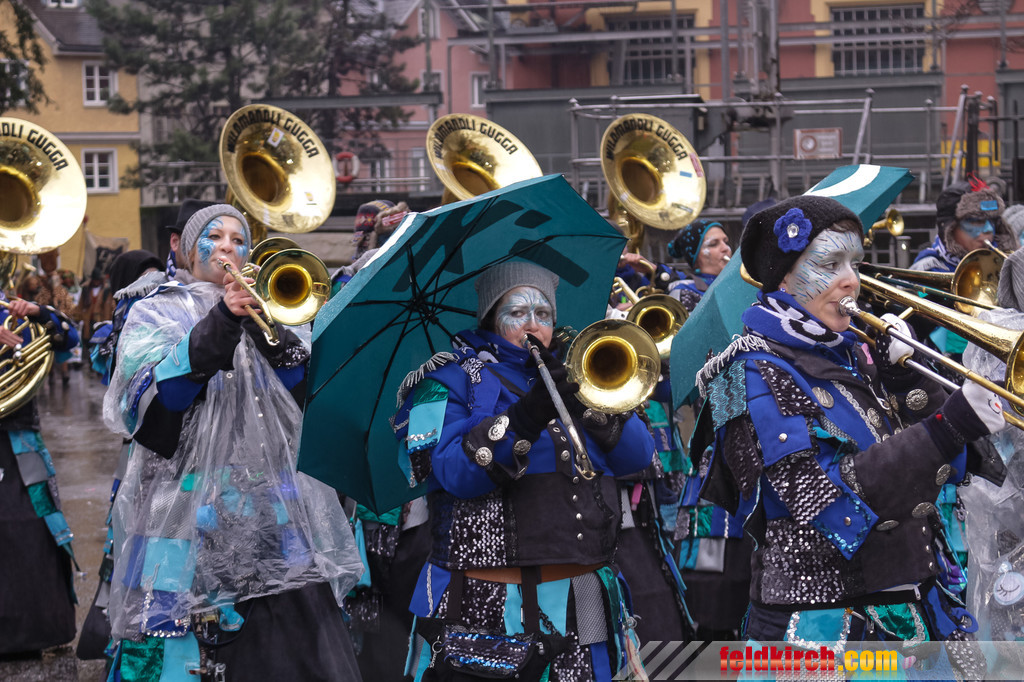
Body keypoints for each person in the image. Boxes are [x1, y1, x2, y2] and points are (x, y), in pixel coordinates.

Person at [695, 195, 1005, 678]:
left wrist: (908, 383)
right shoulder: (747, 370)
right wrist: (948, 426)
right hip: (824, 633)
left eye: (855, 264)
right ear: (783, 278)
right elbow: (822, 503)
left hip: (915, 612)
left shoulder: (849, 354)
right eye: (828, 264)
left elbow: (959, 468)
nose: (851, 281)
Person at [103, 204, 363, 679]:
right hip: (180, 506)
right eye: (215, 236)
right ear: (186, 249)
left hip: (270, 505)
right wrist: (223, 318)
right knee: (174, 632)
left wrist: (267, 330)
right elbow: (161, 402)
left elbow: (304, 396)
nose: (228, 247)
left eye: (239, 240)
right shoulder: (154, 309)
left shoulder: (275, 310)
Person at [394, 260, 656, 681]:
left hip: (584, 594)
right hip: (485, 602)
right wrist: (524, 418)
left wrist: (586, 403)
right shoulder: (444, 382)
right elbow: (454, 474)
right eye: (517, 312)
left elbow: (639, 456)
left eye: (544, 314)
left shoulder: (576, 375)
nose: (533, 325)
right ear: (490, 318)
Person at [0, 290, 81, 657]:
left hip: (20, 439)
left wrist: (36, 311)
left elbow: (69, 339)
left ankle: (33, 632)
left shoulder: (11, 310)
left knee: (34, 529)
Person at [664, 219, 733, 309]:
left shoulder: (737, 283)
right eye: (713, 244)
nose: (725, 248)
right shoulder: (684, 290)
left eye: (726, 242)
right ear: (696, 256)